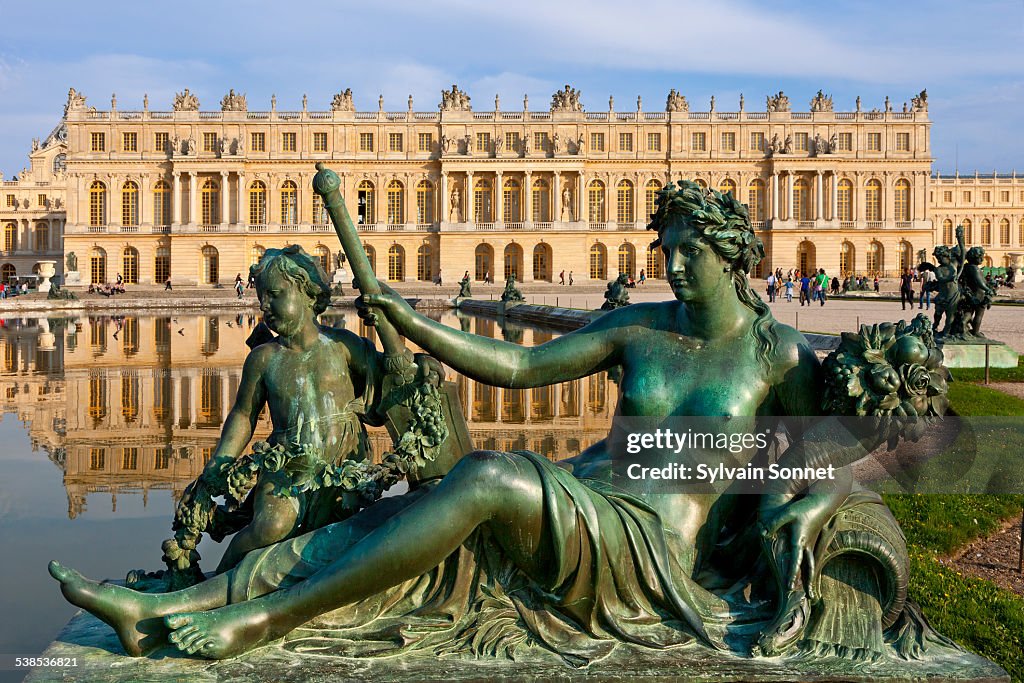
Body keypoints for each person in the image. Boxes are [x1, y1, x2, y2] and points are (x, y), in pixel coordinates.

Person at [49, 181, 924, 666]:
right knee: (389, 515)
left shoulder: (783, 356)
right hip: (585, 498)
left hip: (649, 552)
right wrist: (411, 315)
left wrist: (818, 499)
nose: (670, 262)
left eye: (686, 249)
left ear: (732, 253)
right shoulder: (642, 324)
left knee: (489, 475)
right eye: (664, 249)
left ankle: (260, 623)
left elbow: (834, 454)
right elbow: (515, 366)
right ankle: (176, 601)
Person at [172, 246, 387, 575]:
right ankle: (217, 584)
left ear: (307, 292)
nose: (266, 307)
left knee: (350, 533)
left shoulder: (345, 346)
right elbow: (244, 416)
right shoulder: (264, 358)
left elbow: (388, 384)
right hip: (286, 460)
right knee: (271, 526)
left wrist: (412, 360)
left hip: (345, 462)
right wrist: (220, 460)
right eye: (261, 299)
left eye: (274, 295)